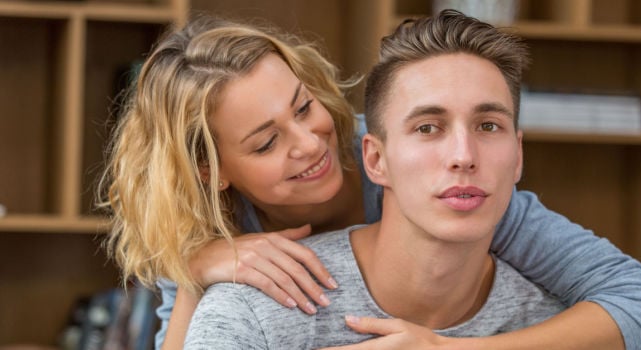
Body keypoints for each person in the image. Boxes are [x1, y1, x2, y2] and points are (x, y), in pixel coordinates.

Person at [98, 12, 641, 350]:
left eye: (303, 108)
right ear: (213, 172)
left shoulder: (434, 174)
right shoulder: (216, 248)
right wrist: (194, 269)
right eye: (267, 142)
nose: (311, 143)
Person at [183, 10, 570, 348]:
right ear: (376, 158)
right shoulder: (245, 306)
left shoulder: (563, 323)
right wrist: (191, 270)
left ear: (518, 155)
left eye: (488, 125)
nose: (463, 157)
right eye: (427, 128)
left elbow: (630, 297)